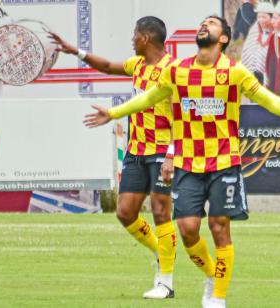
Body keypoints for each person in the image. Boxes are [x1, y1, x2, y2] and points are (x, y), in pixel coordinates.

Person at [84, 15, 280, 308]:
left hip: (224, 163)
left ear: (223, 38)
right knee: (186, 230)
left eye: (211, 23)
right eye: (203, 22)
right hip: (188, 165)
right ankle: (212, 275)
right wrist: (114, 114)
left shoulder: (235, 73)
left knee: (219, 227)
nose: (204, 25)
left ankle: (217, 298)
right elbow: (147, 99)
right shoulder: (179, 71)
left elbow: (272, 102)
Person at [49, 16, 178, 299]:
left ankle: (165, 283)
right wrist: (77, 52)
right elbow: (107, 66)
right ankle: (162, 251)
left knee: (160, 211)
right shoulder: (137, 66)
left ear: (146, 38)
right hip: (136, 150)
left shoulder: (174, 71)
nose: (132, 40)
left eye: (135, 35)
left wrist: (171, 155)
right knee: (125, 213)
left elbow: (184, 117)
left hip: (163, 151)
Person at [241, 2, 274, 83]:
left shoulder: (277, 33)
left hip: (270, 76)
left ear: (271, 17)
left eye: (264, 17)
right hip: (253, 73)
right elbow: (248, 49)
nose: (261, 20)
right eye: (259, 17)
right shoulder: (254, 31)